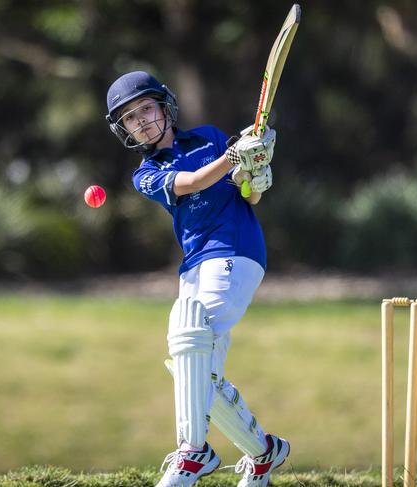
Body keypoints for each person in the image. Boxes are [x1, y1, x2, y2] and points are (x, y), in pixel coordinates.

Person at [105, 71, 289, 487]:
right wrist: (236, 157)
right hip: (194, 264)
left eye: (146, 109)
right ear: (125, 129)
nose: (143, 121)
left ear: (164, 106)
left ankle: (193, 451)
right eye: (131, 118)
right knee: (195, 367)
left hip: (236, 250)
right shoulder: (146, 174)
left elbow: (247, 192)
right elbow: (190, 183)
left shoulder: (208, 136)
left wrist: (253, 176)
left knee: (187, 333)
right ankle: (263, 454)